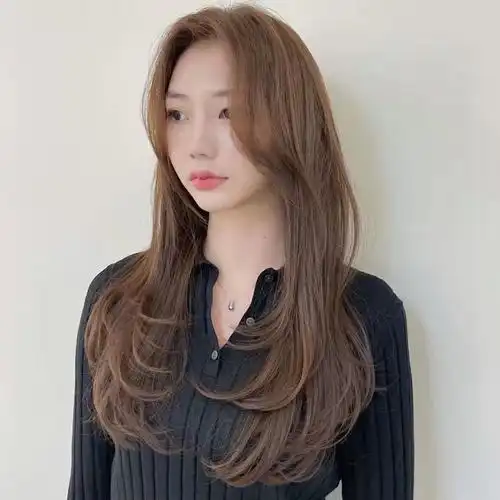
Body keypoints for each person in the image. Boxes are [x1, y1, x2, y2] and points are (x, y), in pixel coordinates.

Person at [67, 4, 414, 500]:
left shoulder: (362, 317)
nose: (196, 144)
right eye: (177, 114)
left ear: (289, 119)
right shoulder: (118, 300)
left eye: (228, 112)